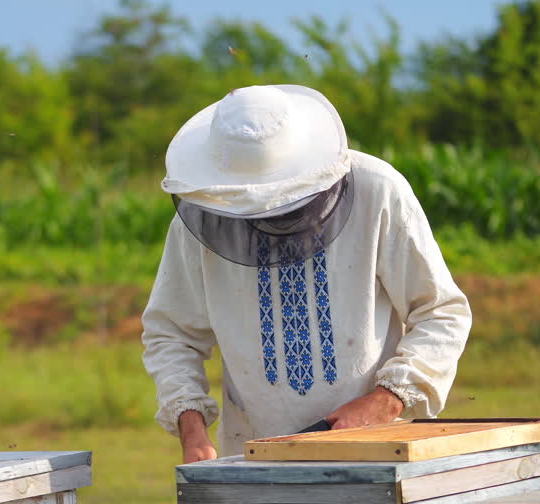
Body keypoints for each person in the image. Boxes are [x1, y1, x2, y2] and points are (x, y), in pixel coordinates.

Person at [141, 84, 473, 464]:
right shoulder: (206, 211)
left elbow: (440, 312)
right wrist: (192, 429)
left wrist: (386, 400)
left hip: (379, 447)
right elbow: (172, 334)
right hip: (254, 454)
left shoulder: (377, 190)